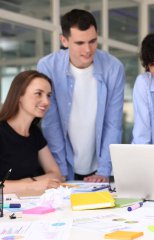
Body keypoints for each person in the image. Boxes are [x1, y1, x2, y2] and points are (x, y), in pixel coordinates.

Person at [37, 9, 125, 182]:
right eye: (79, 43)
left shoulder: (114, 68)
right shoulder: (48, 67)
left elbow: (113, 124)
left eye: (92, 41)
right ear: (64, 40)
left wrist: (104, 170)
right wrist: (60, 170)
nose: (88, 49)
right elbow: (51, 124)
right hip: (60, 163)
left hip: (98, 165)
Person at [0, 70, 62, 196]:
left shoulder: (35, 133)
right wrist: (30, 185)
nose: (46, 102)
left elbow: (56, 174)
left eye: (48, 95)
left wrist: (28, 182)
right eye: (38, 94)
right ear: (19, 96)